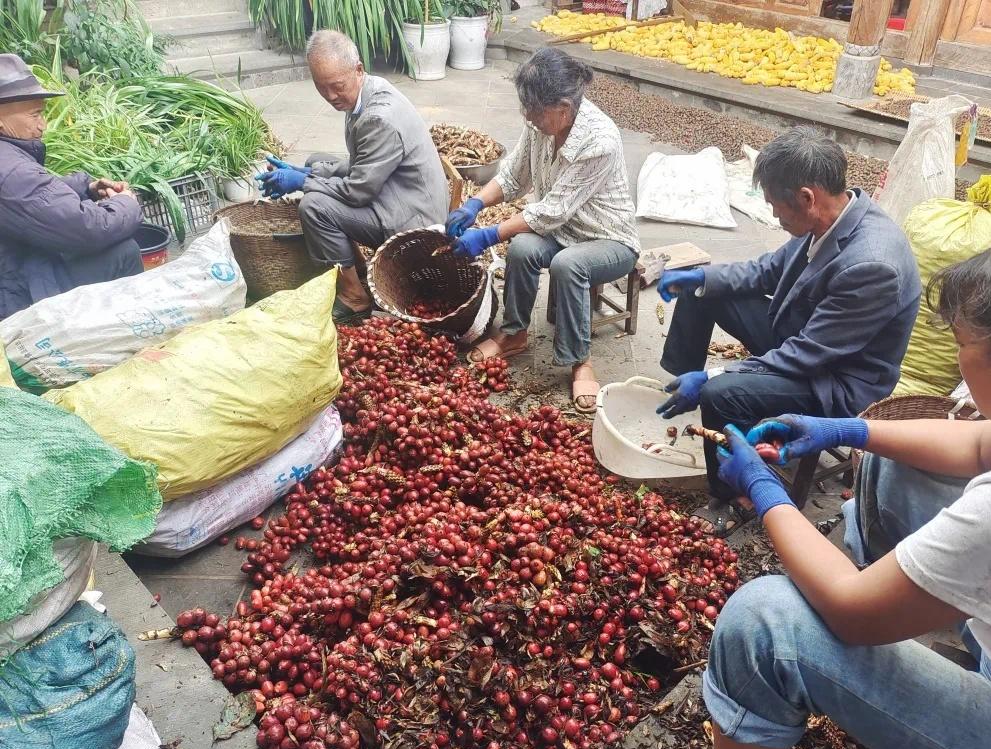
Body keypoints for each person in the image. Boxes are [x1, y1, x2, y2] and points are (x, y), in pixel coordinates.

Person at [609, 224, 991, 749]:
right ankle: (885, 599)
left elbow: (853, 613)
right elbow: (986, 444)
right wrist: (847, 431)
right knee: (892, 471)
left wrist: (764, 490)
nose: (959, 361)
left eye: (964, 343)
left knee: (765, 620)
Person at [655, 127, 918, 512]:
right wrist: (702, 277)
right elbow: (767, 270)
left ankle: (732, 491)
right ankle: (677, 391)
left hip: (834, 380)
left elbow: (806, 355)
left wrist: (714, 375)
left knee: (720, 393)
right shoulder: (830, 216)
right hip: (806, 336)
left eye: (776, 207)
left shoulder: (872, 266)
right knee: (703, 293)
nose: (775, 216)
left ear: (807, 198)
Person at [445, 47, 639, 414]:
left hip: (607, 238)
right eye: (526, 110)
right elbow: (513, 175)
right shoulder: (541, 124)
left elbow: (552, 212)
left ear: (563, 108)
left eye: (534, 111)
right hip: (563, 231)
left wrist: (487, 235)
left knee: (568, 264)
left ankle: (580, 360)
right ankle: (514, 333)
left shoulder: (600, 141)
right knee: (521, 248)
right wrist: (475, 205)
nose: (528, 118)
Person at [256, 30, 449, 323]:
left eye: (337, 87)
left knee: (314, 207)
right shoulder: (366, 91)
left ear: (358, 69)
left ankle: (354, 297)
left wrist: (303, 183)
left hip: (415, 222)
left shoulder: (378, 118)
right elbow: (363, 164)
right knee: (316, 161)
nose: (331, 96)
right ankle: (356, 267)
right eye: (321, 88)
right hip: (400, 195)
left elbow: (358, 192)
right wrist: (305, 171)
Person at [0, 54, 142, 320]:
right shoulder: (11, 170)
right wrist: (126, 204)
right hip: (13, 298)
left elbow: (30, 198)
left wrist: (86, 188)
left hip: (13, 267)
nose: (43, 125)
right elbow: (86, 229)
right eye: (35, 114)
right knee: (124, 252)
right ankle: (121, 333)